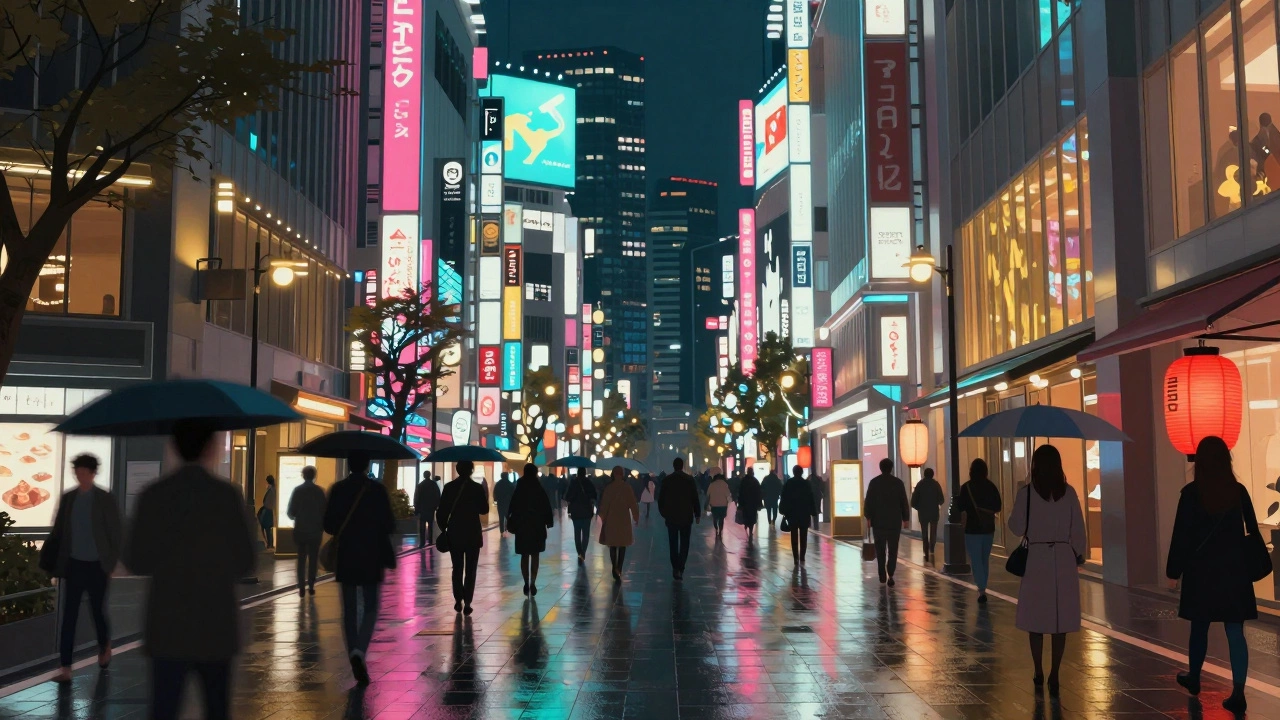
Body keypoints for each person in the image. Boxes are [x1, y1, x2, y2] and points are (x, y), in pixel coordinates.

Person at [122, 421, 256, 720]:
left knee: (164, 708)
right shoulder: (226, 495)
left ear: (174, 447)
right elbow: (245, 561)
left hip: (167, 622)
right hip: (215, 622)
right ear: (210, 448)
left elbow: (136, 560)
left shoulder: (153, 495)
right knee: (216, 708)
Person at [1166, 436, 1258, 713]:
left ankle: (1194, 677)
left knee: (1200, 626)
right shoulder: (1238, 492)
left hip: (1202, 572)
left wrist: (1173, 570)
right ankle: (1238, 692)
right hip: (1235, 571)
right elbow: (1252, 530)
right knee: (1235, 630)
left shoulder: (1191, 494)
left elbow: (1181, 536)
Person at [1008, 445, 1086, 698]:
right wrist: (1078, 552)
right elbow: (1078, 528)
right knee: (1060, 620)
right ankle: (1055, 673)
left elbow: (1016, 527)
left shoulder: (1027, 493)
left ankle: (1038, 669)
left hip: (1037, 558)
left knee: (1036, 618)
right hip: (1063, 559)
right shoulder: (1069, 493)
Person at [44, 454, 121, 683]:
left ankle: (104, 644)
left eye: (84, 472)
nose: (80, 476)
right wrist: (57, 564)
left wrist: (110, 564)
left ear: (93, 473)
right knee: (69, 616)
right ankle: (66, 667)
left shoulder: (104, 498)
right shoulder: (69, 499)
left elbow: (115, 532)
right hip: (74, 564)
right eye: (77, 472)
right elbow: (58, 531)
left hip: (97, 565)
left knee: (97, 611)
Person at [322, 452, 396, 686]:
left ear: (348, 464)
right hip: (371, 553)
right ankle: (360, 650)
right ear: (367, 465)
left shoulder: (338, 489)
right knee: (371, 606)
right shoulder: (377, 490)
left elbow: (329, 525)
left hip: (346, 554)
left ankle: (352, 648)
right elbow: (389, 524)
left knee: (349, 609)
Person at [438, 461, 490, 615]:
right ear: (471, 470)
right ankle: (468, 601)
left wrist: (444, 528)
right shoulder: (477, 488)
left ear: (457, 470)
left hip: (455, 532)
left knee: (457, 568)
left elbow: (442, 511)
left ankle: (458, 599)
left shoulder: (449, 487)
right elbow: (484, 510)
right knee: (471, 569)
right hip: (472, 532)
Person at [956, 458, 1002, 601]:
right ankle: (983, 587)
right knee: (984, 559)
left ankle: (981, 588)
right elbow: (998, 506)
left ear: (971, 471)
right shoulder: (991, 486)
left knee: (975, 559)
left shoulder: (966, 487)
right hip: (988, 528)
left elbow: (960, 507)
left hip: (972, 529)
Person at [508, 464, 554, 596]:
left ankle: (526, 581)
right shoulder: (538, 487)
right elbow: (546, 506)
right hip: (537, 526)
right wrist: (548, 522)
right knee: (535, 554)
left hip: (522, 526)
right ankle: (533, 581)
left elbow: (512, 506)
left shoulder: (519, 487)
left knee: (524, 555)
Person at [863, 458, 910, 586]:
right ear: (891, 468)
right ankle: (891, 573)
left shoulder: (874, 482)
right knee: (893, 549)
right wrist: (905, 519)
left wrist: (868, 517)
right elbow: (904, 502)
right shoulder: (898, 483)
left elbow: (868, 502)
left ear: (880, 468)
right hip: (894, 522)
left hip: (878, 523)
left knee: (880, 550)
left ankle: (882, 574)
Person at [657, 457, 701, 580]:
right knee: (685, 543)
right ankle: (681, 566)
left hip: (671, 516)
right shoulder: (689, 480)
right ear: (682, 466)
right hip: (686, 516)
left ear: (673, 466)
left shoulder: (667, 480)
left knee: (673, 543)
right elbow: (695, 498)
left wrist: (664, 513)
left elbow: (661, 499)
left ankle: (675, 567)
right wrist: (697, 514)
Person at [287, 465, 327, 597]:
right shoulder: (319, 492)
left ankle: (301, 587)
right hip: (315, 531)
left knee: (301, 559)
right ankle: (311, 584)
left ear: (303, 475)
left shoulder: (298, 491)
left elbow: (291, 512)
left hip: (301, 530)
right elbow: (325, 511)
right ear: (314, 476)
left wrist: (297, 516)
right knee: (313, 559)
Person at [598, 465, 640, 582]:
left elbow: (604, 505)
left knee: (612, 545)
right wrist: (636, 517)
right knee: (622, 545)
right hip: (623, 520)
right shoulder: (627, 487)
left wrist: (602, 517)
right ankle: (619, 568)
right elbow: (633, 504)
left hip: (611, 520)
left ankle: (614, 566)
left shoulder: (609, 488)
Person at [779, 465, 817, 568]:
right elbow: (811, 498)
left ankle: (795, 557)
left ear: (793, 472)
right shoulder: (806, 484)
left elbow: (784, 497)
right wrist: (813, 511)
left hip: (792, 514)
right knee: (804, 536)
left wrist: (783, 510)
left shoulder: (789, 483)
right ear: (801, 472)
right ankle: (802, 556)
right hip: (804, 513)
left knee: (794, 535)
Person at [910, 467, 946, 562]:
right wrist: (936, 504)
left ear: (924, 474)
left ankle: (925, 549)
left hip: (923, 512)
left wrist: (919, 507)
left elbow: (913, 501)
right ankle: (932, 548)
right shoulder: (936, 484)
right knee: (933, 531)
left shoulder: (920, 485)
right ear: (932, 475)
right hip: (934, 512)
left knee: (924, 531)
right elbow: (941, 499)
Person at [563, 468, 598, 563]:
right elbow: (594, 495)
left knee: (577, 534)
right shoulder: (589, 483)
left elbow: (567, 497)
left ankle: (579, 552)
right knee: (586, 534)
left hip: (576, 512)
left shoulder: (573, 483)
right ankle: (583, 552)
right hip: (587, 512)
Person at [413, 471, 441, 547]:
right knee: (430, 524)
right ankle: (430, 540)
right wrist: (437, 506)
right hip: (431, 508)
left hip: (422, 508)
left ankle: (422, 542)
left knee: (422, 525)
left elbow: (417, 497)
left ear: (424, 475)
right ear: (429, 475)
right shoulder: (433, 485)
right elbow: (437, 495)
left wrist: (416, 507)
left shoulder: (420, 485)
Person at [737, 467, 763, 540]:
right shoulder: (755, 481)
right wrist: (759, 503)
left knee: (746, 515)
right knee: (752, 516)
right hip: (753, 503)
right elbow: (759, 493)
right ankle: (750, 529)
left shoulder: (743, 481)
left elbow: (740, 492)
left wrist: (740, 503)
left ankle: (746, 524)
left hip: (745, 502)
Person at [707, 473, 731, 538]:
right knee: (721, 519)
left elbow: (708, 494)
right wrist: (729, 501)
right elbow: (728, 494)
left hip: (714, 505)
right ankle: (720, 531)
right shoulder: (725, 484)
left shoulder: (712, 484)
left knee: (715, 518)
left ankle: (716, 528)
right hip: (723, 505)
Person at [493, 471, 515, 536]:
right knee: (508, 516)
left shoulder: (498, 484)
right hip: (508, 503)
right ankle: (507, 528)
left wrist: (495, 500)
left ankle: (502, 531)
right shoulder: (510, 484)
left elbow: (495, 492)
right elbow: (513, 494)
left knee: (501, 517)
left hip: (500, 503)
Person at [259, 474, 277, 548]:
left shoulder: (271, 490)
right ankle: (269, 543)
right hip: (269, 510)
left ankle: (269, 543)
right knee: (268, 527)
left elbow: (267, 501)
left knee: (266, 527)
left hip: (268, 510)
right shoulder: (273, 489)